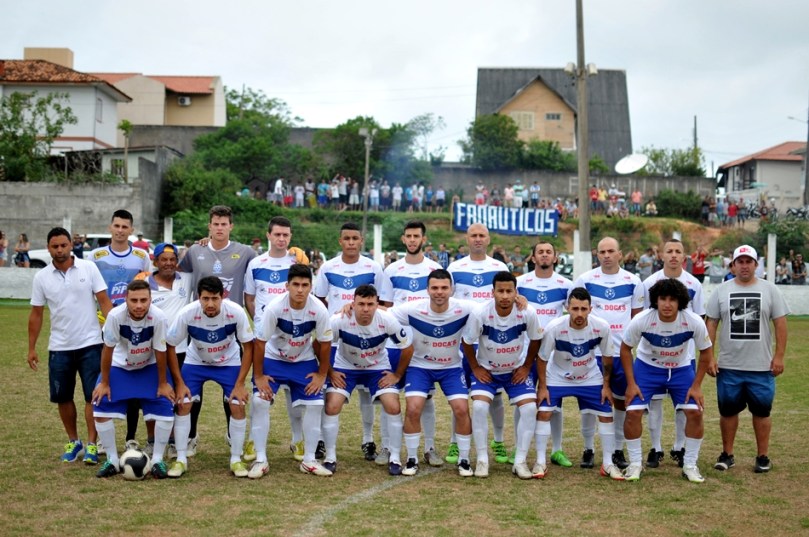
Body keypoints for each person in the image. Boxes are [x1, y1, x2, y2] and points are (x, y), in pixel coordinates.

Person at [28, 227, 113, 463]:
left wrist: (114, 331)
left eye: (63, 245)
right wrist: (32, 347)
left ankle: (92, 445)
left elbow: (104, 301)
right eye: (55, 246)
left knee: (92, 397)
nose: (59, 250)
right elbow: (36, 314)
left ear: (71, 245)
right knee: (62, 396)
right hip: (59, 347)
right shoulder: (41, 277)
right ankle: (73, 441)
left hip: (91, 344)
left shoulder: (89, 268)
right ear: (48, 248)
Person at [178, 205, 257, 456]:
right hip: (199, 325)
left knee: (231, 390)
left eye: (224, 224)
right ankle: (190, 436)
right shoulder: (195, 251)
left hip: (230, 326)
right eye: (216, 223)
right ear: (209, 226)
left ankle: (232, 436)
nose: (220, 228)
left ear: (231, 226)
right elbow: (180, 280)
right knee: (193, 390)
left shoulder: (246, 253)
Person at [706, 245, 789, 474]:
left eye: (748, 261)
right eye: (739, 261)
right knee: (728, 411)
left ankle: (763, 456)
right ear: (732, 265)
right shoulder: (721, 291)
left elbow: (780, 324)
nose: (744, 266)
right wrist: (709, 357)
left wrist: (779, 356)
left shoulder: (770, 290)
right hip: (729, 366)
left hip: (761, 366)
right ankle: (727, 454)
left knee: (762, 412)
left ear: (756, 265)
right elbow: (711, 324)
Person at [314, 222, 393, 461]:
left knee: (367, 393)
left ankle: (368, 439)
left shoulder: (373, 267)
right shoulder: (328, 267)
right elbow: (319, 301)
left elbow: (384, 302)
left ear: (361, 241)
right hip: (337, 336)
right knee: (330, 391)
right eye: (346, 238)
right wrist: (338, 315)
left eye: (355, 238)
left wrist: (360, 309)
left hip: (366, 336)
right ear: (340, 241)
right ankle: (321, 441)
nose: (350, 242)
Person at [621, 278, 713, 483]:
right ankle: (635, 464)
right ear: (656, 300)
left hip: (681, 369)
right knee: (633, 413)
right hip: (648, 368)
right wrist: (631, 384)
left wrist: (697, 386)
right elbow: (625, 348)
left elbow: (706, 352)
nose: (667, 304)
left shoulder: (693, 321)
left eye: (672, 299)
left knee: (695, 413)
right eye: (662, 299)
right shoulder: (642, 319)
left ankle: (690, 465)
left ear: (680, 301)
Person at [388, 270, 477, 476]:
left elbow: (493, 308)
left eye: (444, 288)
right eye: (435, 288)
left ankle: (464, 460)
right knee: (413, 409)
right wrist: (349, 307)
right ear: (427, 290)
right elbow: (382, 314)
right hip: (420, 367)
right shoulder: (413, 309)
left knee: (462, 409)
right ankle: (412, 459)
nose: (439, 292)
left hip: (451, 368)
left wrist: (520, 301)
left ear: (451, 289)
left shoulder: (465, 308)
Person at [165, 276, 255, 478]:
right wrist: (179, 382)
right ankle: (180, 458)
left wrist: (240, 384)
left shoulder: (236, 312)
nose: (210, 304)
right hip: (196, 362)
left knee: (237, 404)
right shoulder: (187, 313)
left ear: (223, 296)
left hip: (228, 362)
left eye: (215, 298)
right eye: (205, 299)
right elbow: (169, 345)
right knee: (184, 403)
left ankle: (236, 458)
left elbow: (248, 347)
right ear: (199, 297)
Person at [250, 264, 334, 478]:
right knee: (260, 401)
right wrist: (259, 376)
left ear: (311, 287)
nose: (300, 289)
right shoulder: (274, 308)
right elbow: (259, 343)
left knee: (316, 405)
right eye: (295, 284)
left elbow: (325, 344)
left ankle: (309, 460)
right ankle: (260, 459)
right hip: (274, 359)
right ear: (286, 286)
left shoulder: (319, 309)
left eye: (305, 285)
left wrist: (322, 374)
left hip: (303, 360)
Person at [92, 280, 180, 478]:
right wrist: (104, 382)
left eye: (143, 300)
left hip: (148, 366)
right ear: (126, 300)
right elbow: (107, 349)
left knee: (166, 405)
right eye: (134, 300)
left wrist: (163, 383)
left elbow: (160, 350)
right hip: (120, 366)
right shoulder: (115, 316)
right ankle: (112, 460)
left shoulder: (158, 317)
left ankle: (157, 460)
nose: (139, 305)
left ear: (150, 300)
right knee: (99, 403)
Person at [322, 284, 413, 475]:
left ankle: (395, 457)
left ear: (377, 304)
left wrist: (396, 375)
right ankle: (330, 457)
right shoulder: (338, 320)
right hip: (345, 366)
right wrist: (330, 372)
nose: (365, 309)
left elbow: (407, 347)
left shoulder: (387, 320)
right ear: (352, 303)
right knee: (332, 405)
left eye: (370, 304)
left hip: (376, 367)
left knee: (393, 406)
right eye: (361, 304)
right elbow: (320, 344)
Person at [536, 287, 624, 480]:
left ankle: (608, 464)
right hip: (557, 376)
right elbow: (541, 359)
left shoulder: (601, 327)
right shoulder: (554, 327)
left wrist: (606, 386)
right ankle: (540, 462)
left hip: (589, 376)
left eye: (584, 309)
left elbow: (608, 358)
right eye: (575, 309)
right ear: (567, 307)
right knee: (544, 413)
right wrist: (542, 387)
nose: (579, 314)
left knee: (606, 415)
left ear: (590, 309)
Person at [462, 271, 542, 479]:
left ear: (516, 292)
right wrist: (476, 368)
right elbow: (467, 342)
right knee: (479, 407)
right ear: (493, 292)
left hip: (514, 371)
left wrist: (526, 366)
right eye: (500, 291)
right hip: (487, 372)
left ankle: (520, 462)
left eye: (509, 291)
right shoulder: (480, 313)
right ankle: (482, 460)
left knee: (530, 409)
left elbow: (535, 339)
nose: (505, 296)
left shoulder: (527, 312)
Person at [244, 216, 311, 461]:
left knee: (294, 397)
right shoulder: (256, 264)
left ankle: (298, 440)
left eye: (286, 235)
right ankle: (253, 440)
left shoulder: (298, 263)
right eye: (277, 234)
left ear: (290, 237)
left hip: (295, 339)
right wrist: (262, 323)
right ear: (269, 235)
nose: (281, 239)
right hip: (266, 342)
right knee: (260, 394)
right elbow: (249, 298)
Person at [574, 237, 644, 470]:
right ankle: (588, 449)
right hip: (592, 352)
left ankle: (617, 449)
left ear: (620, 254)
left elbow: (636, 319)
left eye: (610, 251)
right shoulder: (585, 280)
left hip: (620, 353)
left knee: (622, 402)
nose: (606, 255)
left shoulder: (633, 281)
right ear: (597, 254)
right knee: (589, 402)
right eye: (602, 251)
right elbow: (578, 315)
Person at [92, 210, 159, 454]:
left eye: (125, 226)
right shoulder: (96, 255)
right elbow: (93, 291)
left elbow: (148, 286)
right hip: (106, 324)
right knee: (107, 377)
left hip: (137, 325)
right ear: (110, 227)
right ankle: (102, 439)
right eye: (116, 225)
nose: (120, 230)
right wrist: (106, 318)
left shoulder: (141, 256)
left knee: (138, 376)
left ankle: (132, 436)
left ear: (131, 230)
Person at [446, 223, 510, 465]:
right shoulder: (455, 267)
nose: (478, 239)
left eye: (482, 235)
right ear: (467, 239)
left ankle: (499, 441)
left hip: (494, 341)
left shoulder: (499, 267)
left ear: (489, 239)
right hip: (464, 341)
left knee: (496, 396)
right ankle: (454, 442)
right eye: (473, 235)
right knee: (459, 396)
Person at [382, 221, 443, 467]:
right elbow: (385, 307)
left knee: (425, 399)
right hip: (395, 344)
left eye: (416, 236)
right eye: (408, 236)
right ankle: (387, 446)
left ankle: (429, 447)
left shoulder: (435, 268)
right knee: (390, 396)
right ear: (403, 239)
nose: (412, 240)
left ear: (423, 239)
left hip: (425, 344)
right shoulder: (392, 270)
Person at [641, 239, 706, 469]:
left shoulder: (694, 284)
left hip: (683, 356)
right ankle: (655, 448)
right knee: (655, 404)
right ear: (661, 255)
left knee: (683, 405)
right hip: (654, 356)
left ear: (684, 256)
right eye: (669, 251)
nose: (674, 255)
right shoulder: (649, 282)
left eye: (678, 251)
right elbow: (644, 318)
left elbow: (700, 319)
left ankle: (679, 447)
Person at [517, 242, 575, 468]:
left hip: (554, 353)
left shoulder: (566, 284)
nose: (544, 255)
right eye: (540, 252)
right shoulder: (520, 283)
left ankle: (557, 450)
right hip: (526, 351)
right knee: (523, 401)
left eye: (548, 252)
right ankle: (518, 448)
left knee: (555, 403)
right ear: (532, 257)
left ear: (555, 257)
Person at [135, 242, 194, 457]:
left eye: (172, 259)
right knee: (154, 396)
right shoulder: (144, 283)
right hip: (153, 350)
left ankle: (172, 441)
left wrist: (202, 241)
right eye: (164, 259)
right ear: (155, 262)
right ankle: (152, 440)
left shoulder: (186, 280)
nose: (168, 263)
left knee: (179, 394)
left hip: (181, 350)